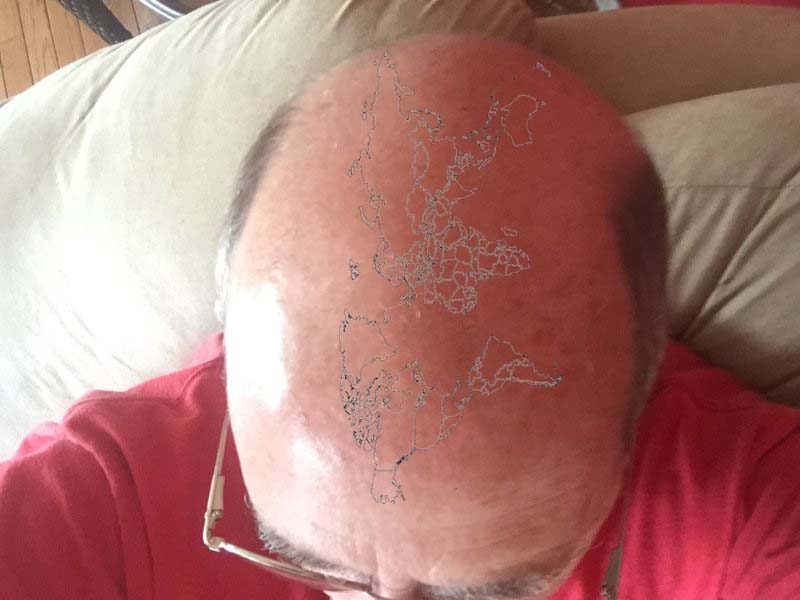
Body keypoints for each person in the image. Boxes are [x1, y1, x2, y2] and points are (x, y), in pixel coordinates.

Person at [1, 31, 799, 600]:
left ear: (642, 386)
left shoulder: (749, 510)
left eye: (486, 592)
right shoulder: (99, 501)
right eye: (310, 564)